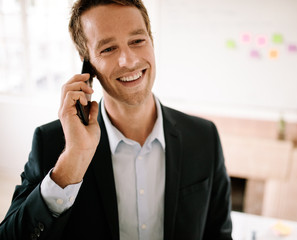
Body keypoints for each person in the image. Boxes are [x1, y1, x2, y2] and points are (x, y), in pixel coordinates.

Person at [0, 0, 233, 239]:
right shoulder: (52, 145)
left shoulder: (204, 137)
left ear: (151, 41)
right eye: (108, 49)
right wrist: (72, 164)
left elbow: (219, 233)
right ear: (87, 62)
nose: (129, 61)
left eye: (137, 41)